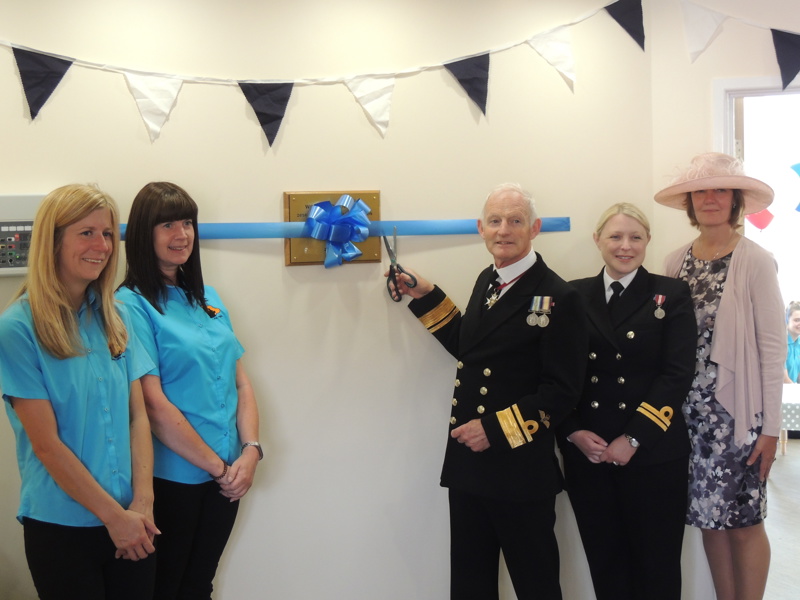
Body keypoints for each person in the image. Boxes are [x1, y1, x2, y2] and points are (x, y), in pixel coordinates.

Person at [386, 182, 588, 600]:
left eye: (515, 221)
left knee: (536, 585)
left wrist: (494, 430)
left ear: (534, 228)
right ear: (481, 227)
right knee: (470, 584)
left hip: (519, 470)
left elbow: (562, 391)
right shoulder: (488, 280)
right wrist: (425, 293)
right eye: (495, 221)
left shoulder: (559, 296)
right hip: (468, 466)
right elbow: (470, 347)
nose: (504, 229)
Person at [0, 184, 158, 599]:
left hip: (132, 518)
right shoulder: (18, 328)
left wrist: (143, 503)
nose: (101, 245)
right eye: (86, 232)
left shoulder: (117, 316)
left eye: (107, 234)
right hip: (62, 527)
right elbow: (47, 445)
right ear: (53, 241)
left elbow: (137, 416)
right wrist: (114, 519)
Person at [116, 181, 261, 599]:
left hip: (231, 475)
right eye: (167, 225)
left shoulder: (207, 297)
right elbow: (153, 405)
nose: (181, 235)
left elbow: (241, 381)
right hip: (175, 477)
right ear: (145, 233)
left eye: (187, 223)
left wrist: (250, 450)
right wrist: (218, 468)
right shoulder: (131, 304)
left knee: (199, 584)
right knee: (166, 587)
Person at [656, 153, 786, 600]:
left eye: (720, 190)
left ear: (735, 201)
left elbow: (772, 348)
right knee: (710, 521)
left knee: (745, 524)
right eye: (701, 191)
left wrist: (771, 428)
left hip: (739, 418)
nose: (710, 198)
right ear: (690, 203)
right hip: (688, 420)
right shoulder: (673, 262)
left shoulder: (756, 260)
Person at [557, 203, 696, 600]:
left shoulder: (670, 294)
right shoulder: (572, 294)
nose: (625, 246)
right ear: (597, 240)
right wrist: (571, 431)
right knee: (606, 565)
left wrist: (633, 438)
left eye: (636, 237)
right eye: (615, 236)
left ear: (648, 241)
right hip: (591, 454)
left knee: (658, 566)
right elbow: (556, 373)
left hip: (653, 453)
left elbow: (677, 374)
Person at [784, 300, 800, 384]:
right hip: (781, 392)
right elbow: (784, 379)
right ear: (787, 320)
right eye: (797, 320)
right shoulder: (781, 344)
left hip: (793, 390)